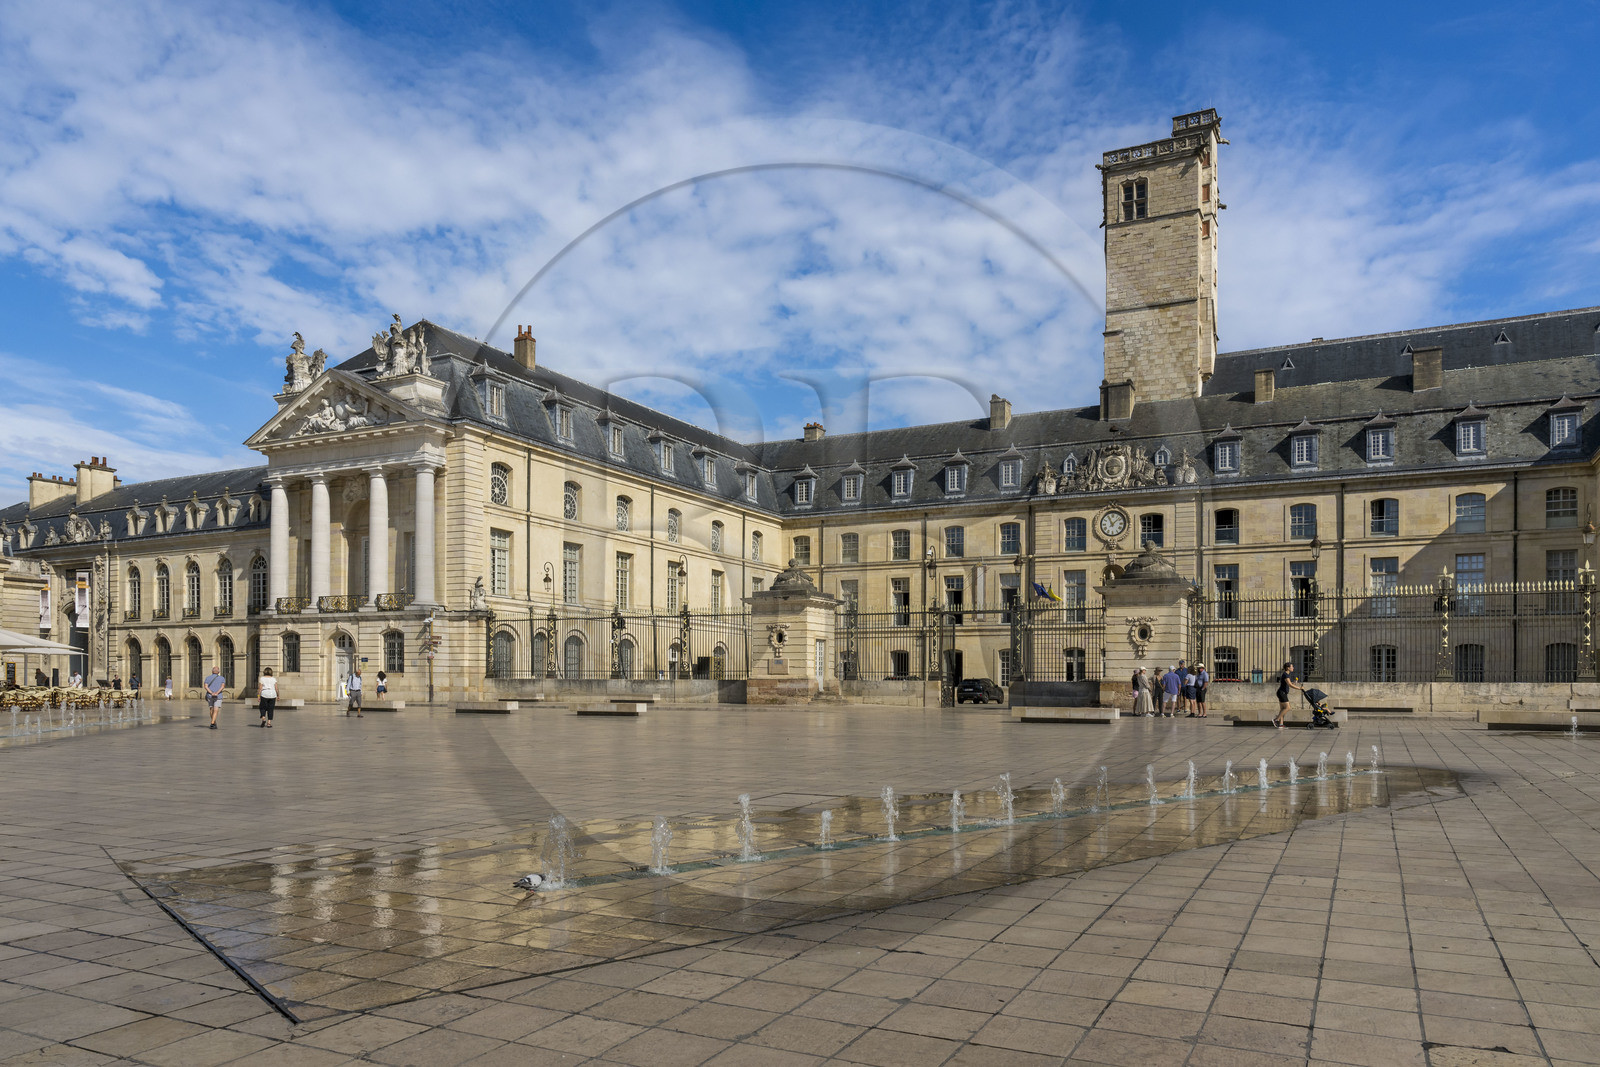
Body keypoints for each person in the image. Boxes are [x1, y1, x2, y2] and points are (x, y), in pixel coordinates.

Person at [1274, 661, 1302, 729]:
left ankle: (1281, 724)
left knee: (1282, 709)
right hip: (1282, 693)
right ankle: (1276, 720)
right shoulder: (1286, 675)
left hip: (1281, 692)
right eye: (1292, 667)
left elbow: (1289, 683)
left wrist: (1294, 682)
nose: (1293, 668)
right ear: (1288, 668)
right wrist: (1299, 688)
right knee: (1287, 708)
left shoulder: (1286, 675)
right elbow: (1289, 684)